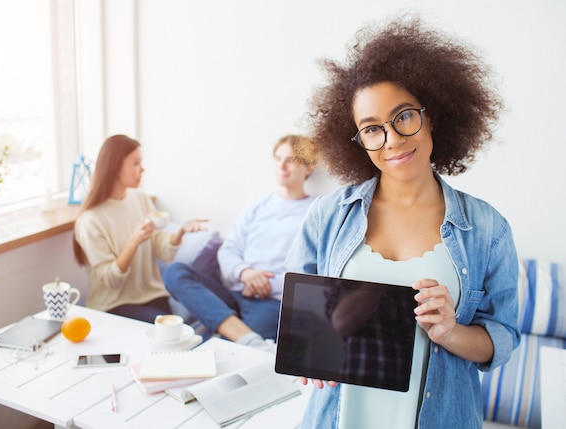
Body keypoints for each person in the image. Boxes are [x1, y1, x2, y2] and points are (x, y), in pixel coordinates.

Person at [285, 17, 520, 429]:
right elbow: (297, 318)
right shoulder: (327, 215)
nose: (391, 139)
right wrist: (307, 345)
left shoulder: (487, 229)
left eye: (404, 117)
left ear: (433, 116)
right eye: (372, 129)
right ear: (357, 140)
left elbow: (502, 339)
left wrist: (450, 331)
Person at [163, 134, 318, 350]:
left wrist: (263, 284)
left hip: (273, 303)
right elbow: (229, 249)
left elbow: (314, 272)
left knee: (225, 352)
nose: (282, 165)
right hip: (234, 292)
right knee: (174, 272)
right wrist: (245, 273)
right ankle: (245, 338)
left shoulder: (317, 211)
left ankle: (227, 334)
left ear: (309, 167)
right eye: (278, 158)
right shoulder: (260, 204)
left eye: (291, 160)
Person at [73, 134, 207, 323]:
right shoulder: (90, 220)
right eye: (135, 163)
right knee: (168, 335)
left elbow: (163, 250)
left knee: (178, 334)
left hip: (153, 297)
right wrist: (134, 241)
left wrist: (181, 232)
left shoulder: (140, 199)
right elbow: (111, 281)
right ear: (114, 166)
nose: (142, 169)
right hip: (113, 305)